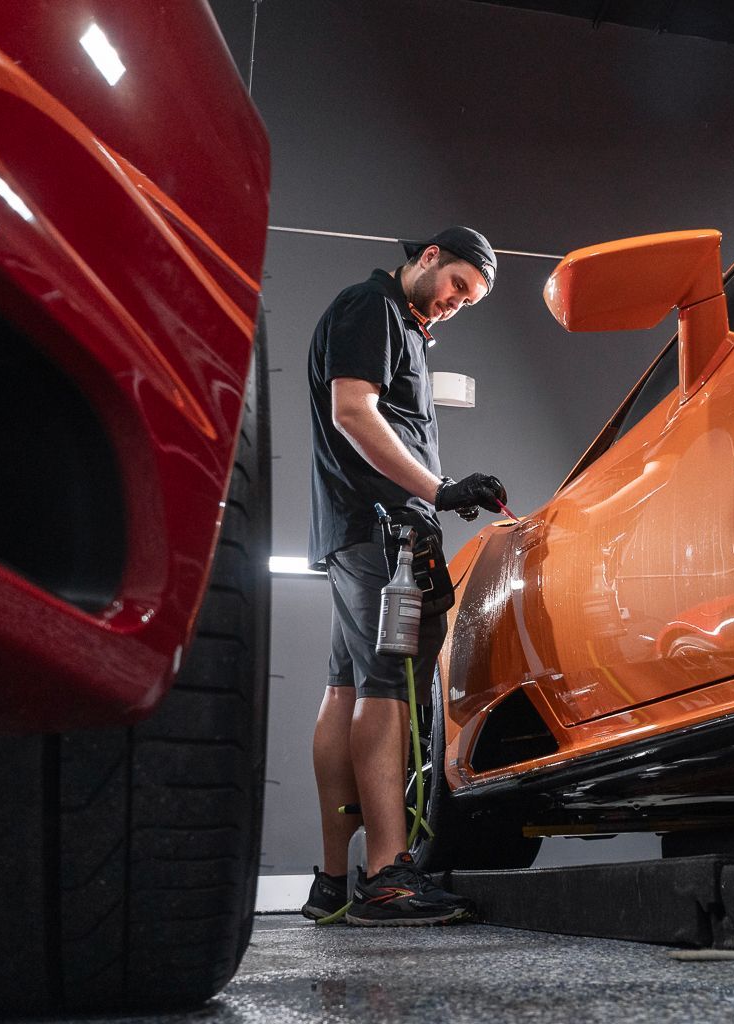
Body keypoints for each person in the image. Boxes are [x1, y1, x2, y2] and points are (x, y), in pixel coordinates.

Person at [302, 227, 508, 926]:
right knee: (387, 686)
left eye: (469, 300)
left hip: (361, 531)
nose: (456, 303)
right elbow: (352, 410)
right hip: (378, 532)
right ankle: (388, 874)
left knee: (345, 688)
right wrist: (438, 488)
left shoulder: (403, 325)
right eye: (456, 285)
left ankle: (333, 880)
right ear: (427, 259)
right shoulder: (371, 308)